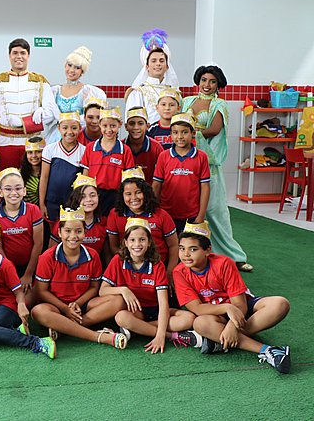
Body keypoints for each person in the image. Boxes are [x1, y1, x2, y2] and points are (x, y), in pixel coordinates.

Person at [174, 222, 291, 374]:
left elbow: (240, 304)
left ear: (208, 250)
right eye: (181, 248)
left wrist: (231, 327)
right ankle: (268, 350)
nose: (186, 254)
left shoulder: (224, 263)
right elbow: (197, 308)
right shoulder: (179, 272)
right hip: (216, 315)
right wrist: (227, 308)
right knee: (200, 323)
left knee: (280, 303)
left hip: (244, 309)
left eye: (193, 249)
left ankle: (220, 341)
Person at [182, 65, 252, 271]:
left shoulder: (219, 104)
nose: (207, 85)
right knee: (188, 207)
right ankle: (191, 254)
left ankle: (234, 256)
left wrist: (190, 132)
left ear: (218, 84)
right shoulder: (186, 101)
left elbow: (214, 129)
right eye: (204, 80)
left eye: (212, 81)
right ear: (198, 81)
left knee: (214, 210)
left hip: (208, 162)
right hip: (185, 161)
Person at [30, 206, 128, 350]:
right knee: (37, 312)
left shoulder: (93, 255)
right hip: (56, 306)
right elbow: (42, 291)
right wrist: (65, 308)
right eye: (67, 231)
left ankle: (64, 328)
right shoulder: (47, 257)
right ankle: (99, 336)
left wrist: (77, 303)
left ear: (85, 233)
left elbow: (94, 287)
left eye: (78, 231)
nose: (73, 236)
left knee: (118, 301)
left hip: (83, 305)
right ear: (59, 232)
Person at [100, 218, 197, 353]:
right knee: (121, 317)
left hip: (156, 311)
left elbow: (163, 304)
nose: (137, 244)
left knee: (189, 319)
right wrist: (123, 290)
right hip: (136, 311)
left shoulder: (157, 265)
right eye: (132, 240)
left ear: (149, 242)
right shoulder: (118, 260)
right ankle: (172, 336)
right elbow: (102, 291)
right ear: (125, 242)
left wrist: (159, 336)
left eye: (142, 240)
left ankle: (136, 330)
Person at [0, 223, 56, 359]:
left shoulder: (5, 265)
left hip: (9, 307)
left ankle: (37, 342)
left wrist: (21, 305)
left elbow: (18, 292)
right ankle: (13, 331)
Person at [0, 38, 59, 170]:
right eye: (15, 53)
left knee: (34, 180)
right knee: (7, 177)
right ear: (9, 55)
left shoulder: (40, 81)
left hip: (34, 142)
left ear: (28, 56)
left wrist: (28, 122)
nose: (19, 56)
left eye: (23, 53)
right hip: (6, 142)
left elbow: (51, 112)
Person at [0, 168, 43, 306]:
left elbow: (38, 244)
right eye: (8, 189)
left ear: (24, 191)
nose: (13, 193)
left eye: (18, 188)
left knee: (26, 301)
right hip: (6, 266)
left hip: (29, 266)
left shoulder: (33, 210)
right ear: (0, 192)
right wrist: (10, 273)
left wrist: (28, 274)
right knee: (6, 300)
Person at [107, 168, 179, 271]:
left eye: (138, 192)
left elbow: (174, 246)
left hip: (159, 267)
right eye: (128, 194)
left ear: (146, 193)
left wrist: (169, 272)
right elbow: (113, 246)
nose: (134, 198)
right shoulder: (115, 214)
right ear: (122, 195)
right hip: (128, 268)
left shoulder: (161, 215)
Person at [152, 113, 211, 236]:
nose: (180, 136)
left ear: (193, 133)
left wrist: (200, 216)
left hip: (192, 215)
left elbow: (205, 187)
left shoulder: (201, 157)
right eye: (175, 132)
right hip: (166, 213)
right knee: (169, 244)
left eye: (185, 132)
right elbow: (157, 184)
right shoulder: (164, 156)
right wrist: (154, 210)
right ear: (171, 134)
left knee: (189, 246)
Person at [80, 107, 136, 215]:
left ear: (120, 125)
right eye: (105, 126)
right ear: (99, 125)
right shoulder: (90, 148)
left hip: (116, 196)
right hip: (94, 195)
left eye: (113, 126)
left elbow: (129, 179)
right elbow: (85, 175)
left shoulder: (125, 150)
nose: (109, 130)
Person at [47, 46, 106, 142]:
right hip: (57, 136)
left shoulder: (87, 92)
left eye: (77, 67)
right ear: (65, 65)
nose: (71, 70)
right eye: (69, 65)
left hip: (78, 135)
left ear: (82, 71)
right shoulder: (55, 91)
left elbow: (90, 116)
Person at [125, 29, 181, 125]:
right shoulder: (138, 93)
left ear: (167, 66)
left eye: (161, 61)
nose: (158, 64)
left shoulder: (174, 92)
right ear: (147, 66)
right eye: (154, 61)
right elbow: (132, 123)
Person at [39, 112, 85, 223]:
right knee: (53, 231)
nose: (69, 132)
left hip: (73, 203)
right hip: (52, 201)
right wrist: (41, 204)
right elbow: (44, 178)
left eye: (74, 128)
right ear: (59, 128)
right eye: (65, 128)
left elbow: (84, 181)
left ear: (80, 128)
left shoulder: (84, 151)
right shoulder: (49, 149)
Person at [59, 175, 109, 262]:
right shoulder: (64, 221)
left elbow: (107, 255)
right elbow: (53, 252)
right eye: (83, 196)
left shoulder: (104, 222)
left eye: (92, 195)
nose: (89, 200)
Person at [124, 107, 164, 184]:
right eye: (132, 123)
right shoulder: (121, 147)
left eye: (140, 123)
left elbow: (163, 173)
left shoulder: (156, 147)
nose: (136, 127)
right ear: (126, 127)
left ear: (147, 126)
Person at [21, 137, 45, 207]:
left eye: (38, 152)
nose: (34, 156)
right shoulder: (19, 175)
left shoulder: (51, 173)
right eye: (30, 152)